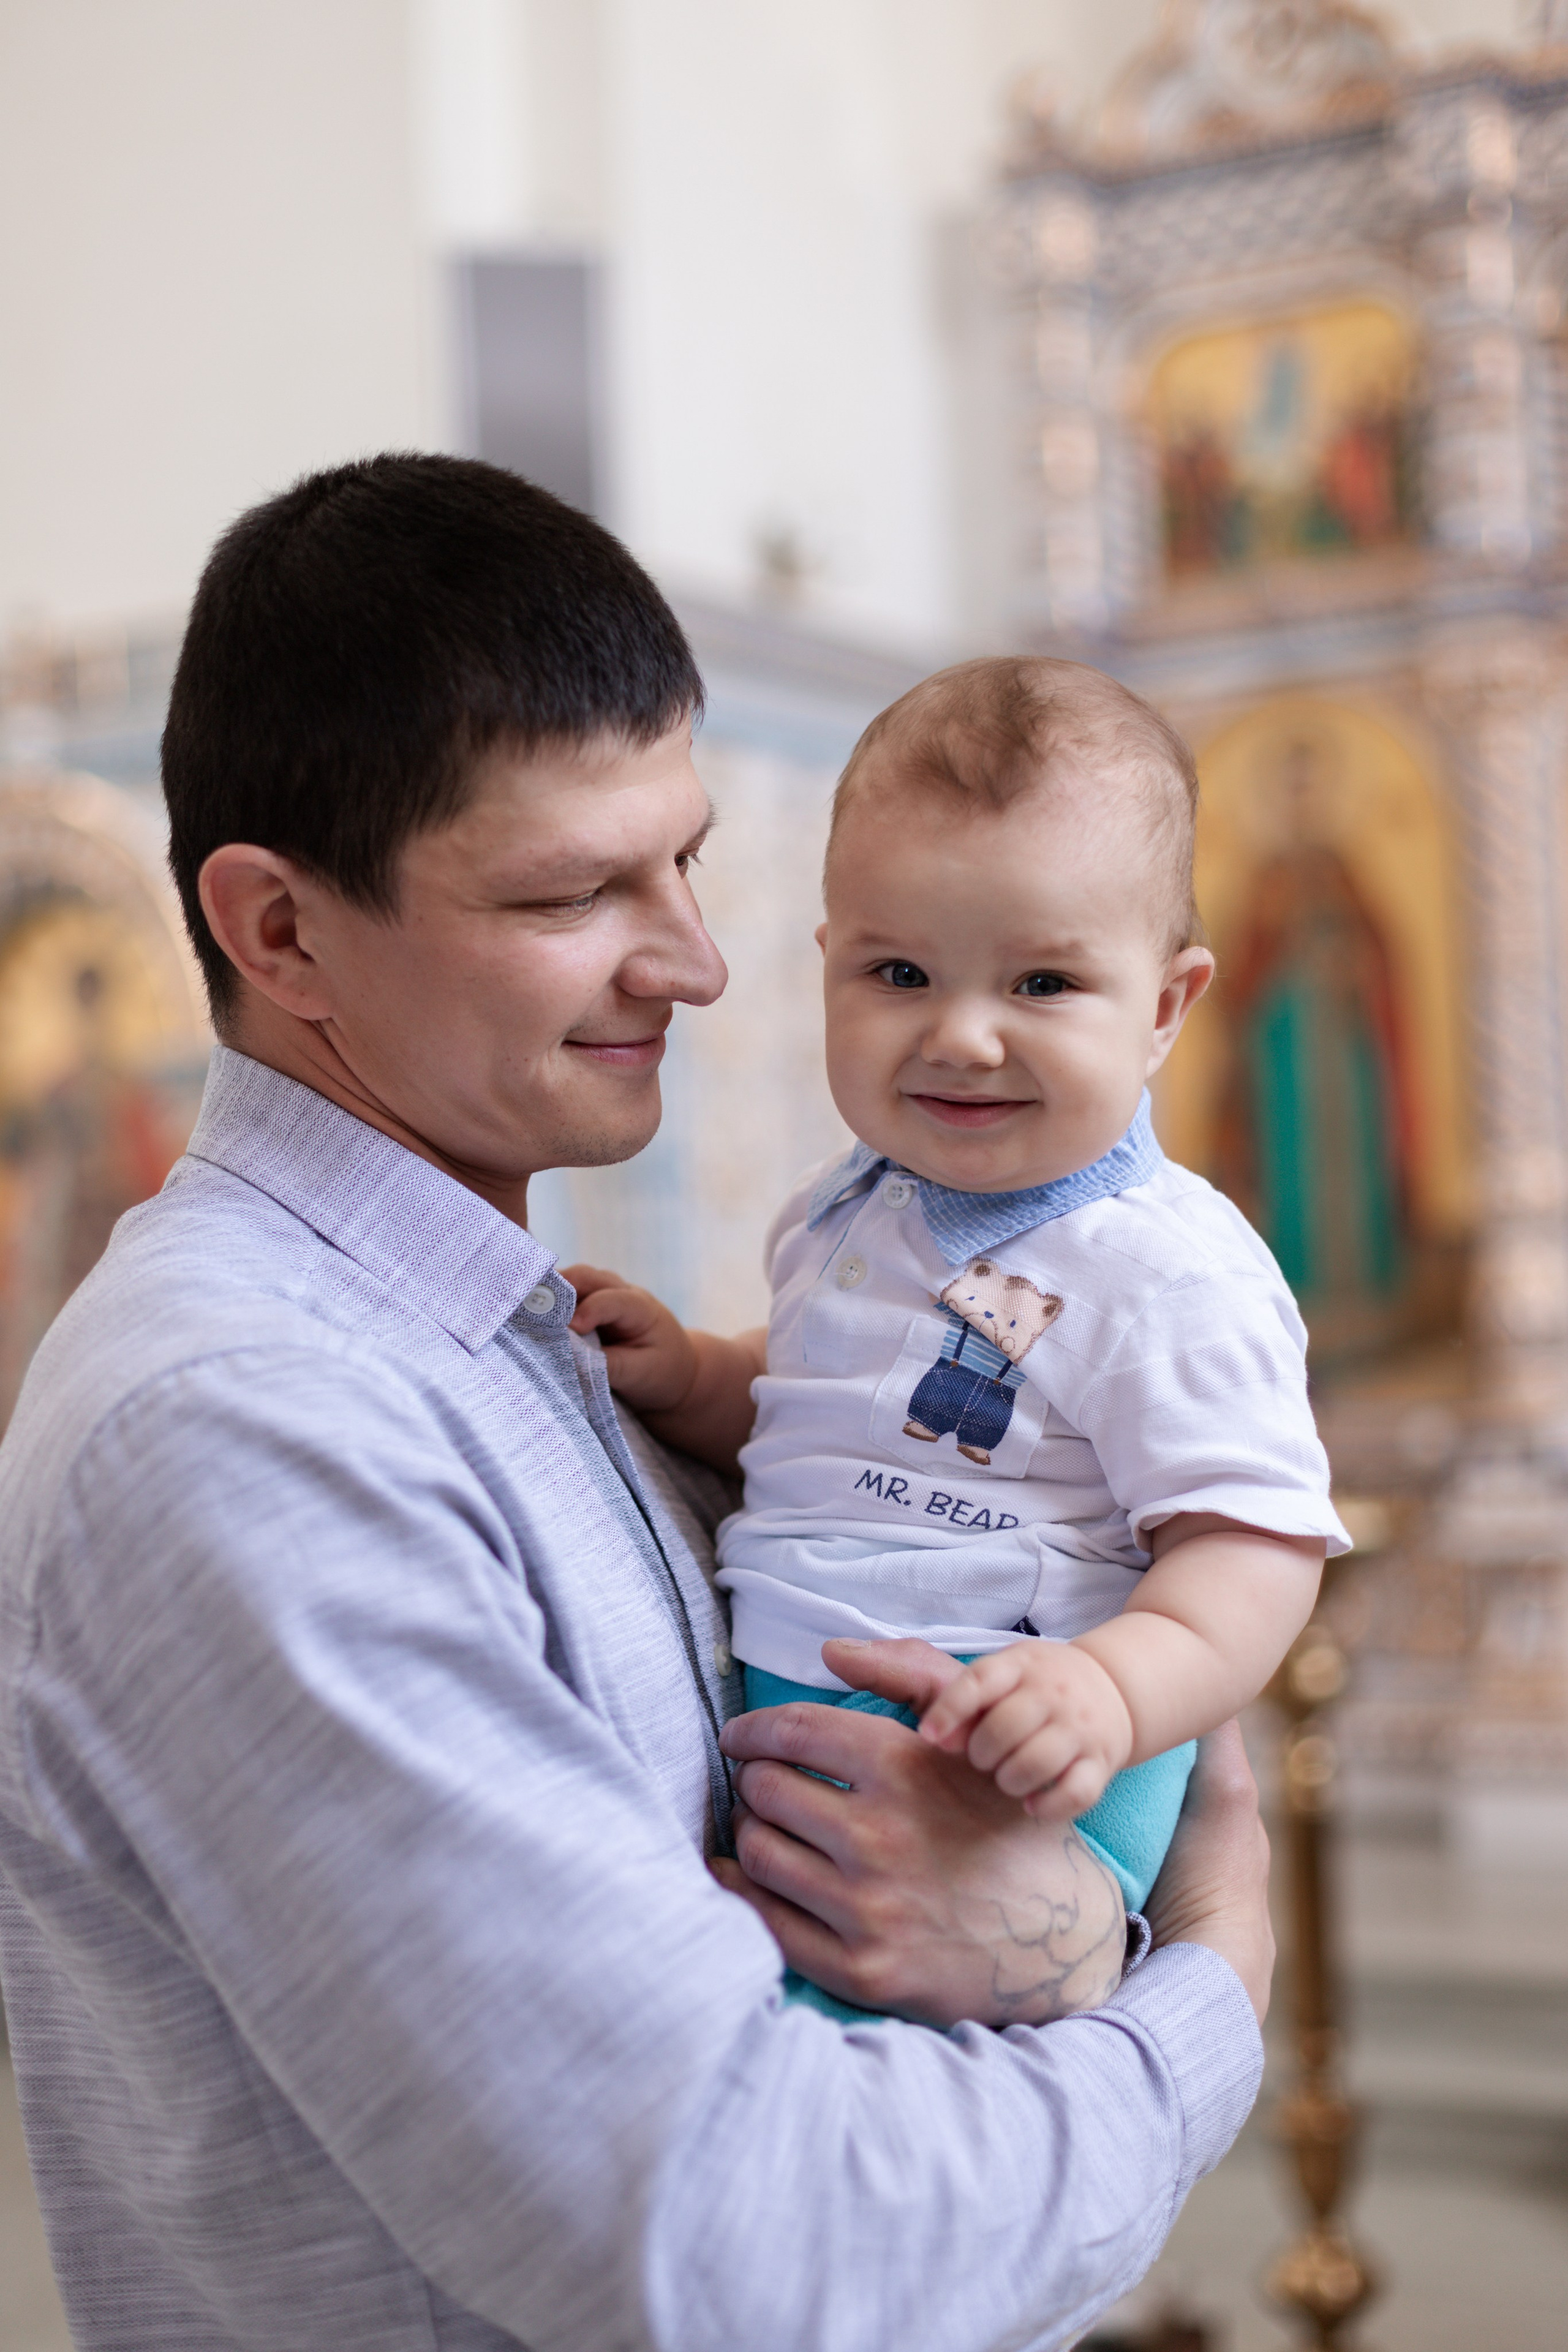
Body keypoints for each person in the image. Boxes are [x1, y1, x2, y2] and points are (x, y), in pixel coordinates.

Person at [0, 456, 1272, 2352]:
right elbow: (743, 2254)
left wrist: (1074, 1928)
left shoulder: (520, 1334)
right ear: (278, 936)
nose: (690, 959)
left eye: (682, 858)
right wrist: (1212, 1983)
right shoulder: (246, 1428)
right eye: (577, 890)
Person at [570, 657, 1347, 1978]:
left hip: (1025, 1757)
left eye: (1041, 985)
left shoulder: (1166, 1271)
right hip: (808, 1728)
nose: (964, 1037)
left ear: (1163, 1007)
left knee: (905, 2063)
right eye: (901, 972)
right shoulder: (844, 1213)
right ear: (828, 966)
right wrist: (696, 1372)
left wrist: (1110, 1688)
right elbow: (821, 1398)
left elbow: (1255, 1547)